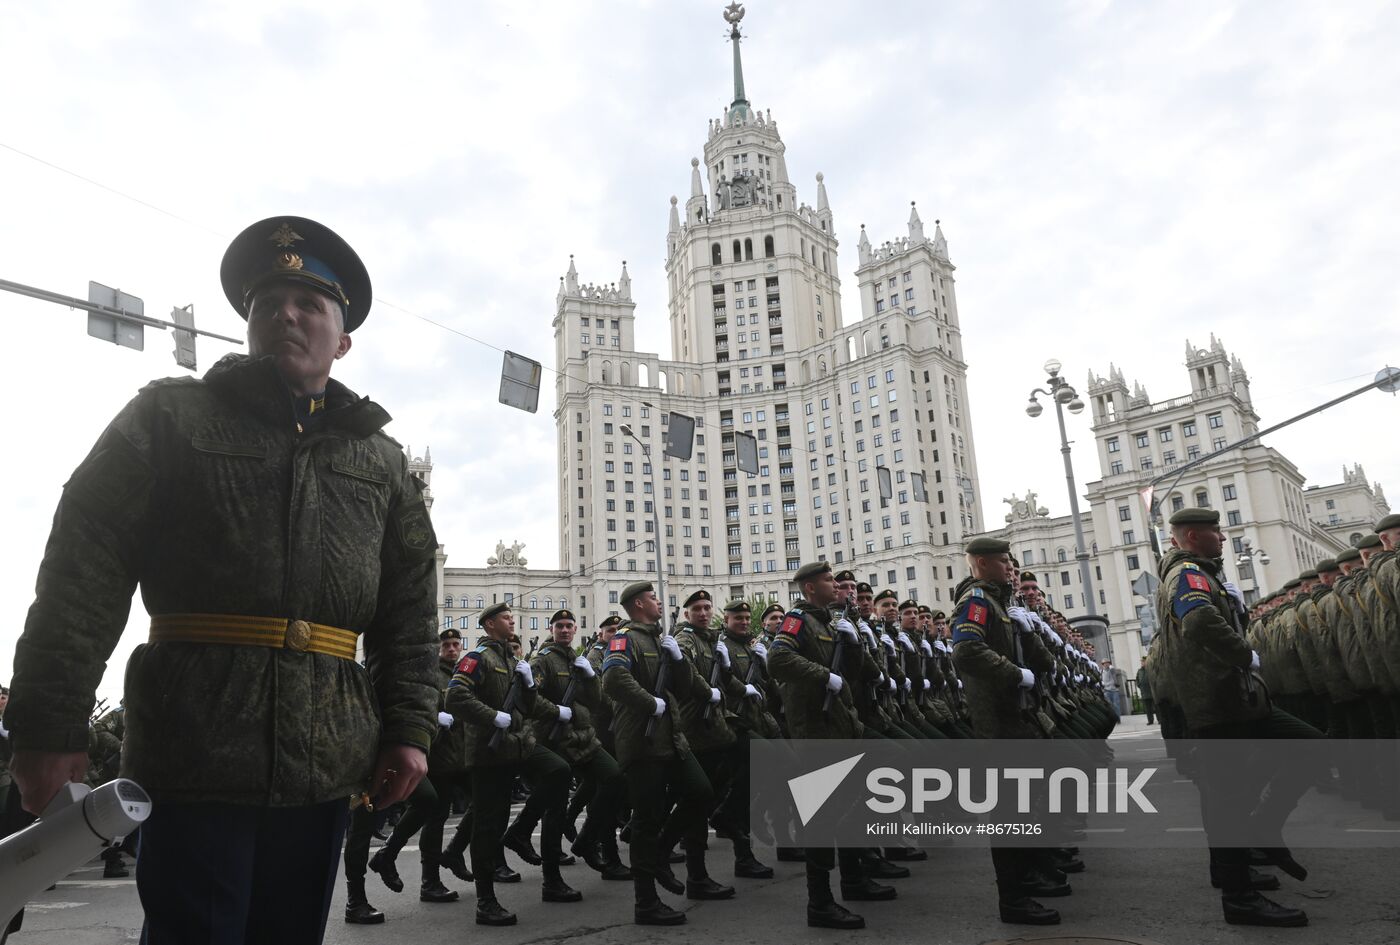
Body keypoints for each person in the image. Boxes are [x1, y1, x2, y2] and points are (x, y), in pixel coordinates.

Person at [5, 216, 439, 945]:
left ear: (344, 337)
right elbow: (83, 565)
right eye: (267, 301)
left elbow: (408, 609)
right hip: (194, 748)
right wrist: (50, 724)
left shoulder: (383, 462)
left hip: (326, 761)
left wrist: (410, 727)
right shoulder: (169, 418)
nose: (285, 314)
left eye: (309, 303)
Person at [1153, 507, 1321, 927]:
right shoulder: (1188, 573)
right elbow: (1198, 620)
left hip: (1232, 698)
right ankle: (1240, 896)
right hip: (1221, 699)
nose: (1223, 538)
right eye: (1216, 532)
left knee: (1229, 793)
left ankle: (1239, 859)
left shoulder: (1198, 571)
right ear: (1193, 536)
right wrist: (1244, 654)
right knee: (1231, 795)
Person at [768, 560, 894, 930]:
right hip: (816, 729)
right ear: (809, 588)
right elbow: (779, 659)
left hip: (842, 724)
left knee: (852, 807)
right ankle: (819, 902)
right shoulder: (797, 619)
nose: (835, 585)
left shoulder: (829, 622)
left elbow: (860, 673)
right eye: (827, 580)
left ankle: (854, 880)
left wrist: (853, 643)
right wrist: (825, 676)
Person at [446, 603, 578, 926]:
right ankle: (485, 900)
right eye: (506, 618)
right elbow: (455, 697)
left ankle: (520, 834)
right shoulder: (477, 657)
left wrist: (530, 684)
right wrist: (493, 716)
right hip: (489, 754)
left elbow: (529, 706)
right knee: (489, 823)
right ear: (490, 624)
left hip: (517, 745)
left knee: (559, 772)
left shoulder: (512, 659)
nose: (512, 620)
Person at [602, 581, 718, 926]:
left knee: (701, 793)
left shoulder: (660, 640)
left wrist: (679, 659)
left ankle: (660, 855)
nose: (658, 601)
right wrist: (648, 701)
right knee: (647, 821)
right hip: (642, 742)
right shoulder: (625, 638)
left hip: (672, 739)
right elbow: (613, 679)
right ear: (639, 604)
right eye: (653, 597)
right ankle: (646, 902)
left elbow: (689, 688)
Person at [1136, 657, 1155, 724]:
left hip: (1152, 691)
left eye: (1143, 661)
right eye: (1141, 662)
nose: (1142, 663)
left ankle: (1160, 720)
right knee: (1148, 708)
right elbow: (1137, 679)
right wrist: (1140, 686)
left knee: (1156, 707)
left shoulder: (1150, 669)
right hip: (1144, 692)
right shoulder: (1139, 671)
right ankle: (1150, 720)